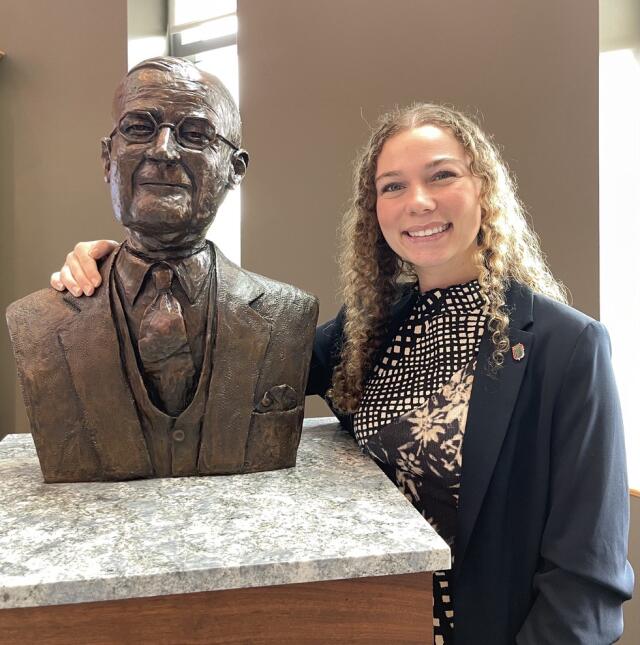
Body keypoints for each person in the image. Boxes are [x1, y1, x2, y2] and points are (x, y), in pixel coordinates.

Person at [51, 103, 633, 643]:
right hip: (362, 620)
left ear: (485, 188)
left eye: (442, 176)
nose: (419, 202)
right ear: (374, 209)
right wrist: (143, 267)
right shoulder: (371, 327)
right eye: (393, 187)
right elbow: (233, 360)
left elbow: (588, 578)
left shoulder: (568, 346)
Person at [8, 56, 318, 483]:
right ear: (107, 157)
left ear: (235, 169)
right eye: (139, 128)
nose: (163, 150)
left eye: (195, 134)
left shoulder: (290, 315)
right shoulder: (38, 320)